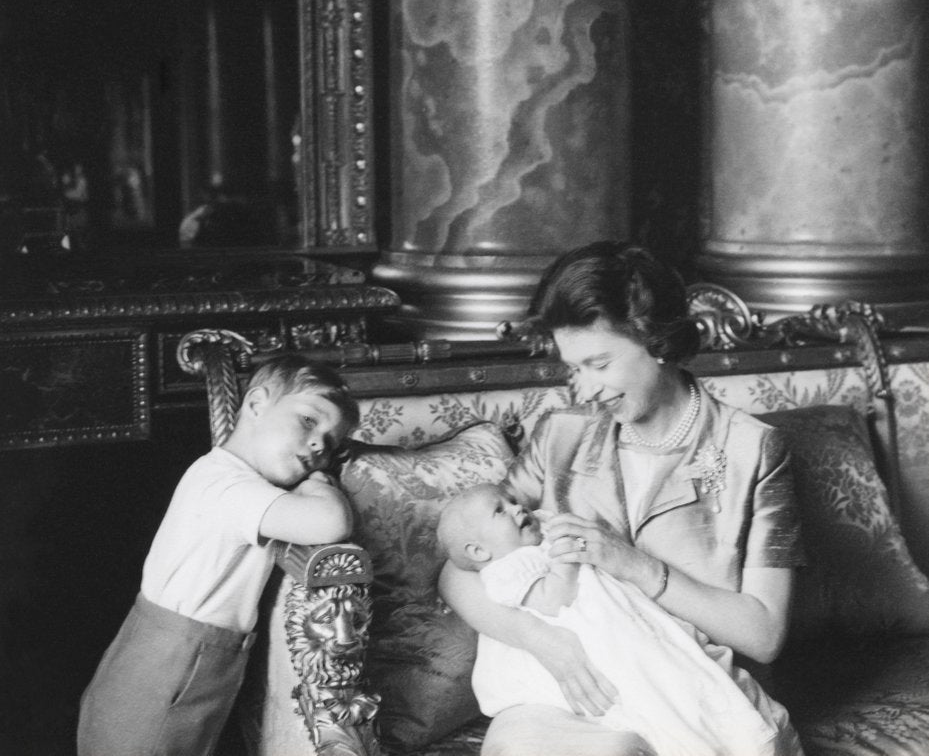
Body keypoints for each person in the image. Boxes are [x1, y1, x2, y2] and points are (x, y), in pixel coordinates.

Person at [438, 241, 806, 756]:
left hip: (691, 699)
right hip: (567, 697)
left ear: (655, 339)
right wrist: (545, 642)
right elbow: (460, 565)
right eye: (573, 369)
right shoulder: (562, 434)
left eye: (598, 364)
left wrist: (629, 563)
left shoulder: (752, 449)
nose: (583, 390)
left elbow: (764, 633)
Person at [77, 354, 359, 756]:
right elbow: (330, 522)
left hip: (178, 660)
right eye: (309, 421)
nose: (319, 445)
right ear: (257, 404)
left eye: (331, 443)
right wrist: (321, 482)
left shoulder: (225, 475)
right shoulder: (229, 487)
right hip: (169, 668)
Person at [438, 482, 795, 756]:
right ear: (479, 551)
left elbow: (764, 636)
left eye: (514, 501)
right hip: (570, 675)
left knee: (695, 697)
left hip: (640, 634)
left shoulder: (753, 447)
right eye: (501, 510)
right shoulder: (510, 566)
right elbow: (466, 573)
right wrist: (540, 634)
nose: (518, 508)